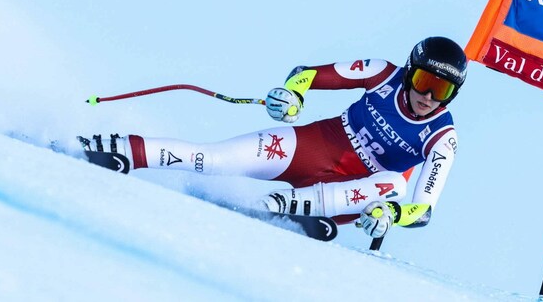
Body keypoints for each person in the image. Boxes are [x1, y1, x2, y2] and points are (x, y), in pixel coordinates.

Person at [80, 36, 467, 239]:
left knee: (391, 186)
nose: (428, 97)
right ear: (410, 71)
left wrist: (392, 215)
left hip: (356, 190)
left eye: (443, 91)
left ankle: (284, 205)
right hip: (316, 144)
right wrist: (293, 96)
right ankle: (118, 149)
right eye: (424, 82)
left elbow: (424, 209)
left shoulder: (442, 137)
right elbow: (306, 73)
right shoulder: (384, 73)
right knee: (213, 160)